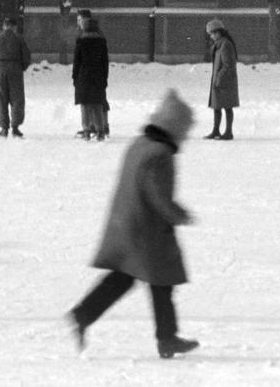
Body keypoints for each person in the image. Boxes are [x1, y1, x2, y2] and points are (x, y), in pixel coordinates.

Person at [66, 89, 201, 360]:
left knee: (126, 278)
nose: (185, 136)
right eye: (185, 130)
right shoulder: (160, 153)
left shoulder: (141, 143)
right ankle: (167, 339)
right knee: (160, 282)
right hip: (147, 230)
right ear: (174, 127)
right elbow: (157, 195)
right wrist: (178, 214)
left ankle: (84, 314)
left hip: (129, 221)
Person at [0, 15, 32, 137]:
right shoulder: (19, 39)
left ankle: (4, 128)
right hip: (15, 69)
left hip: (0, 69)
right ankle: (15, 127)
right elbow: (27, 57)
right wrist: (21, 67)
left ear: (4, 26)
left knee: (1, 99)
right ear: (14, 27)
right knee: (17, 98)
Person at [72, 9, 110, 140]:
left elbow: (77, 61)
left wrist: (75, 77)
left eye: (80, 20)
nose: (78, 23)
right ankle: (100, 130)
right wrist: (105, 77)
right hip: (98, 75)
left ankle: (87, 129)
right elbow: (105, 61)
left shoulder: (81, 39)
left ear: (85, 21)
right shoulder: (101, 38)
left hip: (84, 75)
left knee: (85, 104)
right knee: (98, 103)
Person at [204, 18, 239, 140]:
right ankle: (216, 131)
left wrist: (219, 77)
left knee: (227, 106)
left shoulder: (225, 45)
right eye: (210, 34)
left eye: (212, 33)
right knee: (217, 106)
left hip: (225, 81)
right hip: (219, 81)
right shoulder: (218, 45)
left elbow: (228, 64)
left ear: (219, 32)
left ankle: (228, 132)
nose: (211, 36)